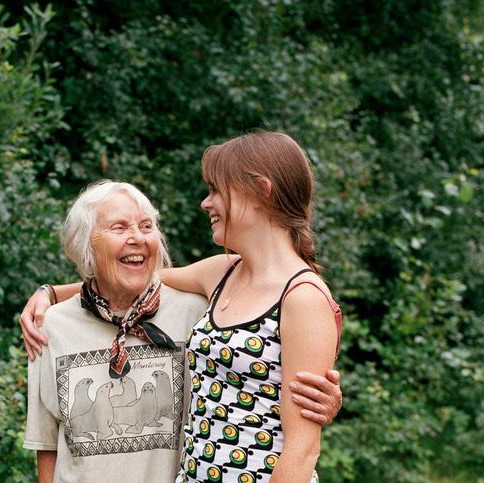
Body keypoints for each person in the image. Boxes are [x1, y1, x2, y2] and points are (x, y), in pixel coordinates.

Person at [23, 131, 343, 482]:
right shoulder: (221, 273)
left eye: (216, 190)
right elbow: (138, 276)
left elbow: (303, 450)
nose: (206, 203)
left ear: (260, 192)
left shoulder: (303, 297)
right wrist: (51, 293)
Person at [24, 180, 209, 482]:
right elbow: (47, 444)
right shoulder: (50, 326)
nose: (137, 237)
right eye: (119, 228)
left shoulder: (195, 313)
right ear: (85, 244)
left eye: (146, 226)